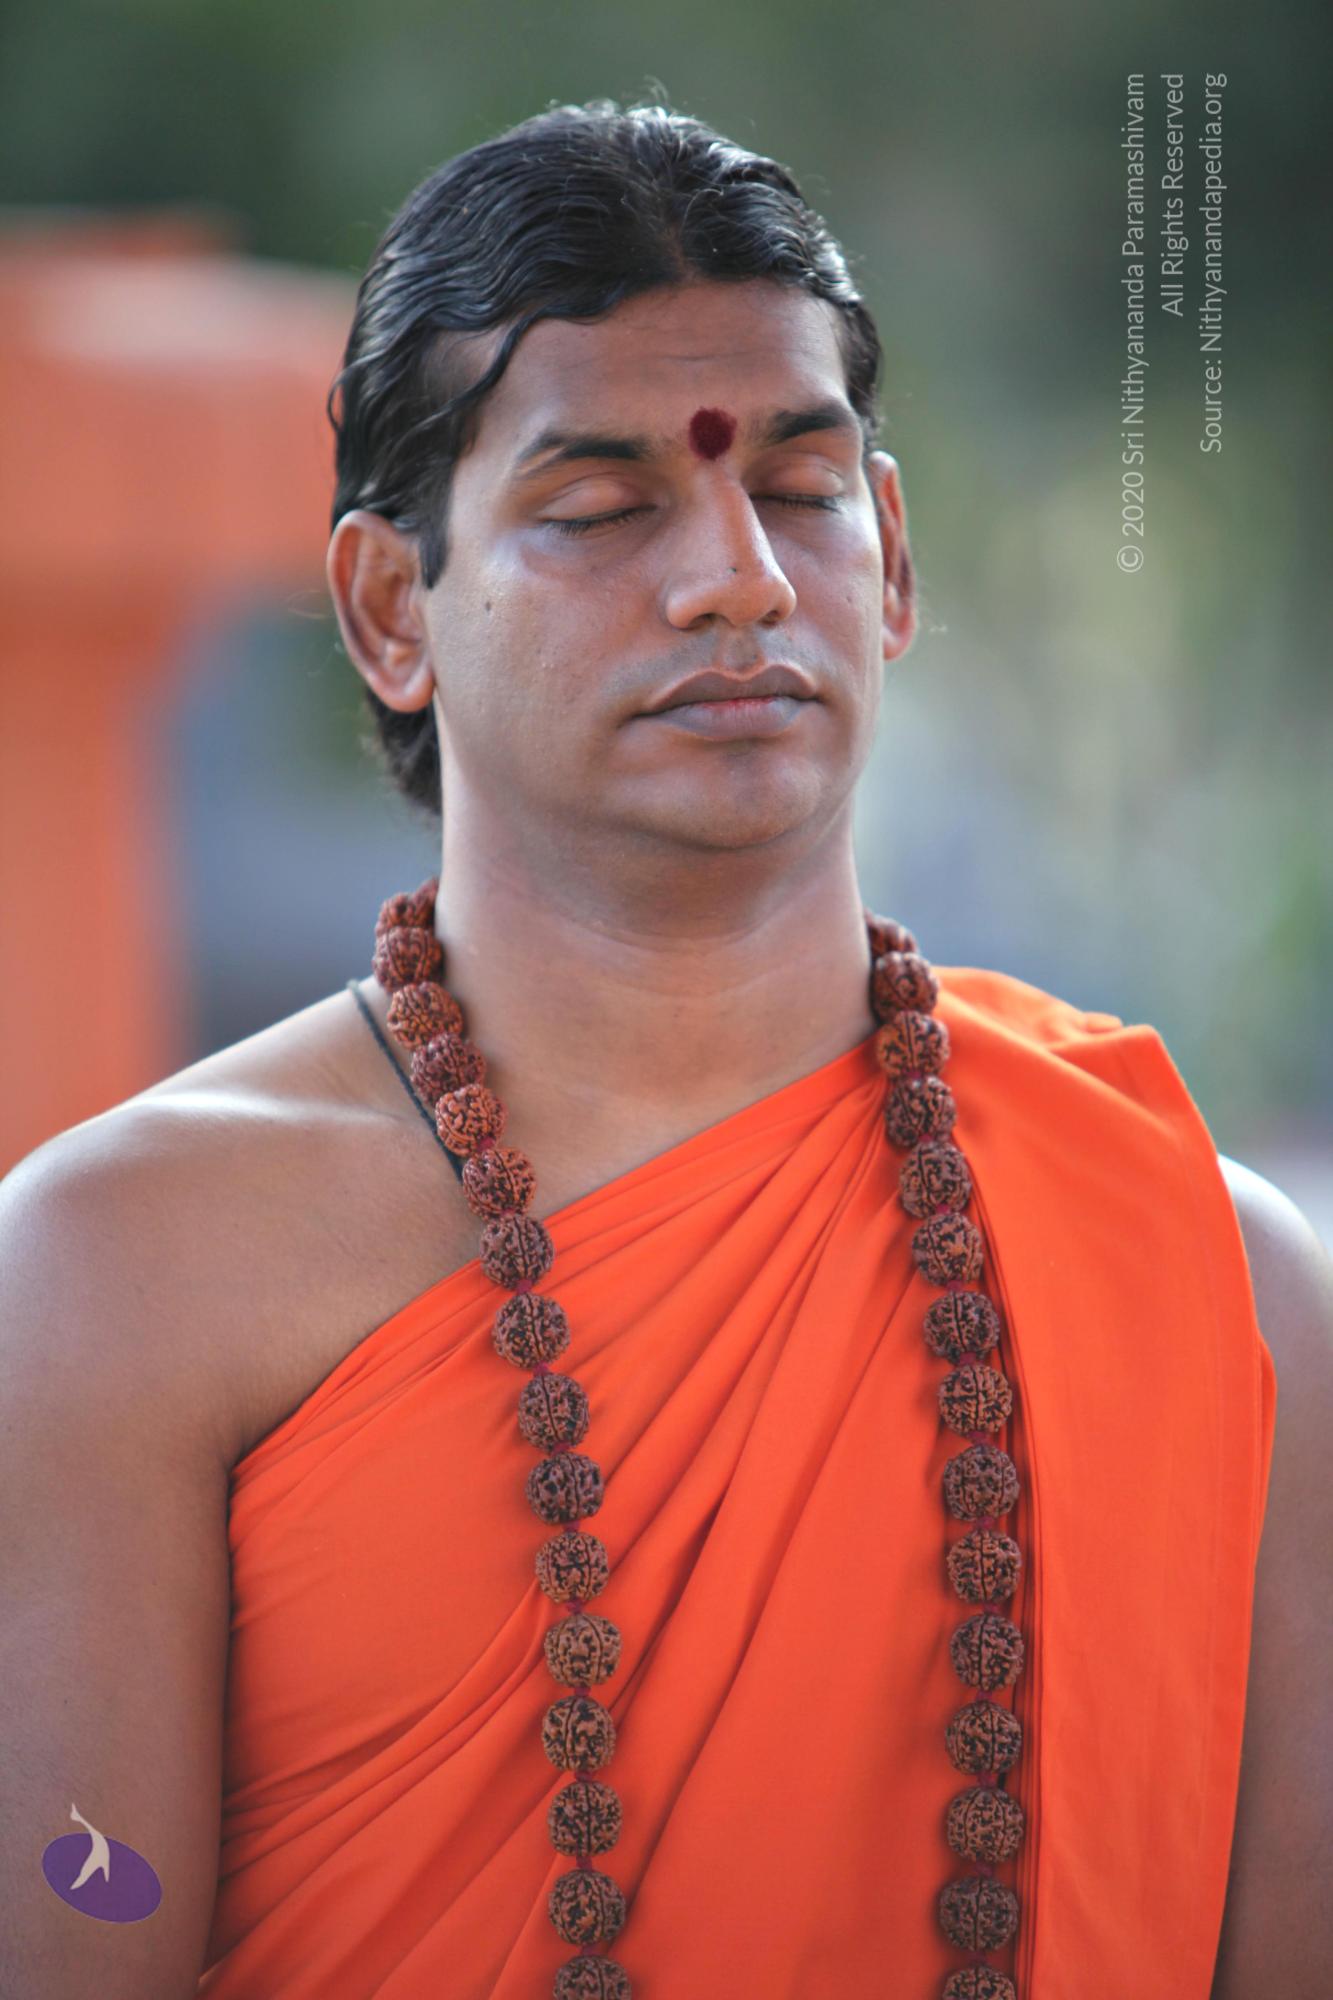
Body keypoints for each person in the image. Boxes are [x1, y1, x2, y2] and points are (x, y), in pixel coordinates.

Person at [1, 98, 1329, 2000]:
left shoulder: (1217, 1282)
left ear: (888, 555)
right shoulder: (125, 1271)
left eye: (799, 487)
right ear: (389, 609)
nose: (736, 577)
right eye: (599, 508)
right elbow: (84, 1912)